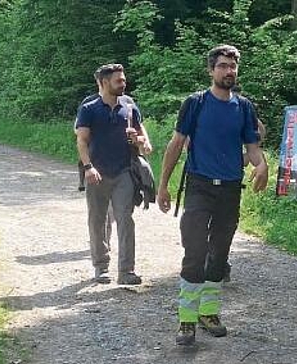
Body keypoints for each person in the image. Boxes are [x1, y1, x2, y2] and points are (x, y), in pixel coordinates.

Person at [157, 45, 269, 346]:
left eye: (232, 66)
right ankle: (186, 319)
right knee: (194, 252)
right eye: (222, 66)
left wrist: (262, 166)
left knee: (219, 253)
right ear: (211, 70)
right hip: (199, 185)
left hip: (230, 189)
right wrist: (163, 185)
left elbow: (253, 148)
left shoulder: (244, 107)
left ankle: (209, 313)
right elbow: (177, 143)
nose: (228, 71)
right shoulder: (195, 103)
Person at [75, 63, 152, 285]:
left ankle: (126, 271)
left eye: (123, 79)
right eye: (118, 80)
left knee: (125, 220)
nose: (123, 83)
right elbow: (81, 140)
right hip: (97, 173)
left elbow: (141, 135)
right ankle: (101, 267)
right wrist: (88, 167)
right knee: (97, 221)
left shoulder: (129, 107)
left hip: (124, 172)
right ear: (104, 82)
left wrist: (140, 141)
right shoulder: (89, 109)